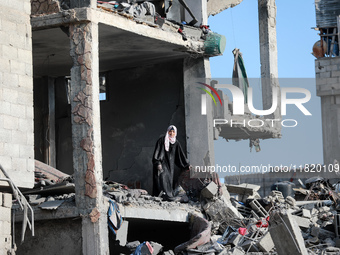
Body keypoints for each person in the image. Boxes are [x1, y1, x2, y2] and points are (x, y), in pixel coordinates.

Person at [152, 125, 190, 201]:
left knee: (168, 180)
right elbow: (157, 152)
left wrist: (186, 165)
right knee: (162, 178)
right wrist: (158, 163)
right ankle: (163, 196)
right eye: (170, 131)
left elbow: (180, 155)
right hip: (162, 164)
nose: (171, 133)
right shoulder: (162, 140)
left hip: (170, 166)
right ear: (167, 131)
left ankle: (167, 196)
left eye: (173, 131)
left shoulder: (176, 143)